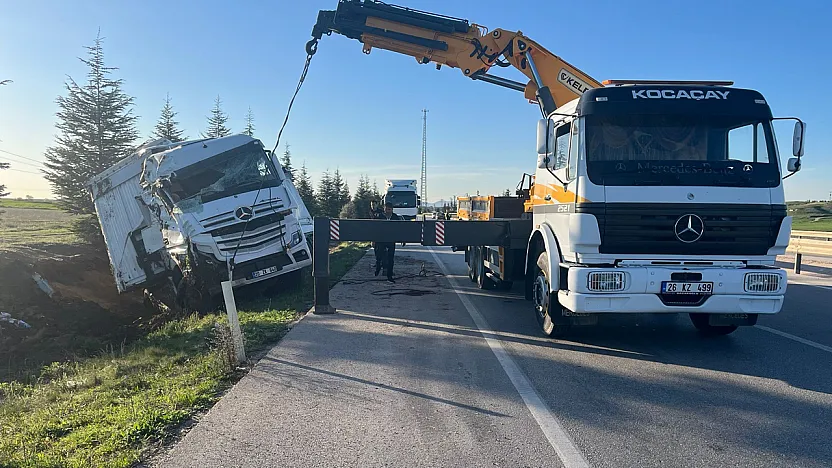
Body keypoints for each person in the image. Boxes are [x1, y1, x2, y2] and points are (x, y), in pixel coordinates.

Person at [373, 201, 401, 282]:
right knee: (379, 256)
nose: (387, 211)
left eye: (389, 209)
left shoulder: (395, 217)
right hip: (380, 240)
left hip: (391, 240)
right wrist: (373, 240)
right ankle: (378, 267)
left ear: (392, 210)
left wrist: (402, 239)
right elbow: (374, 229)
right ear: (384, 209)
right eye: (386, 209)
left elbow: (400, 229)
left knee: (390, 258)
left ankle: (389, 275)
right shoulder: (378, 216)